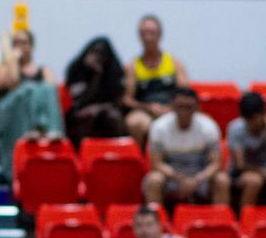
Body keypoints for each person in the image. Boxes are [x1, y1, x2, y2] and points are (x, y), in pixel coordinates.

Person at [0, 28, 63, 180]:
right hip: (11, 115)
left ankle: (51, 132)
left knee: (46, 88)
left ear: (31, 46)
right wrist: (13, 61)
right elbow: (12, 84)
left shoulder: (44, 70)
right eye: (17, 43)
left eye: (24, 43)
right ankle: (34, 128)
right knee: (29, 88)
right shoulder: (3, 68)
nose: (21, 47)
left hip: (39, 115)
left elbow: (52, 92)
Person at [142, 87, 230, 206]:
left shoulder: (208, 127)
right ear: (172, 105)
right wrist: (179, 178)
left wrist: (197, 180)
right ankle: (156, 220)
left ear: (197, 107)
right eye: (180, 106)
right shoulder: (159, 127)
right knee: (154, 180)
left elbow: (216, 164)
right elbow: (157, 164)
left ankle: (220, 220)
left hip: (201, 176)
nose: (184, 111)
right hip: (171, 177)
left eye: (188, 107)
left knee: (222, 180)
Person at [123, 15, 188, 147]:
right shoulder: (132, 66)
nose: (148, 38)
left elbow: (185, 93)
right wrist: (149, 108)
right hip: (145, 111)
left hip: (171, 109)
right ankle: (141, 160)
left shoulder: (174, 63)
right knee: (134, 122)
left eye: (152, 33)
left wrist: (170, 108)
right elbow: (127, 99)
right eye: (144, 34)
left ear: (159, 35)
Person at [62, 36, 127, 146]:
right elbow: (79, 100)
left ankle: (120, 152)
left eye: (101, 54)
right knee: (89, 115)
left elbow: (116, 99)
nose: (98, 57)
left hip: (106, 111)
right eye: (95, 52)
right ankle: (81, 154)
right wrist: (94, 77)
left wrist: (100, 74)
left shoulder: (113, 72)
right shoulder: (77, 69)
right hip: (79, 112)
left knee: (113, 116)